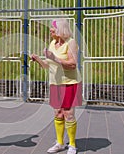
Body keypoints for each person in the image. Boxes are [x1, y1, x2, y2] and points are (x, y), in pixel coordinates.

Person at [30, 19, 82, 154]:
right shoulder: (52, 43)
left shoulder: (71, 43)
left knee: (68, 113)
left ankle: (72, 145)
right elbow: (48, 66)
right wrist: (38, 60)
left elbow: (73, 64)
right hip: (55, 83)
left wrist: (55, 59)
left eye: (53, 28)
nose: (50, 30)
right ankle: (59, 143)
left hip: (69, 83)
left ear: (60, 30)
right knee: (58, 113)